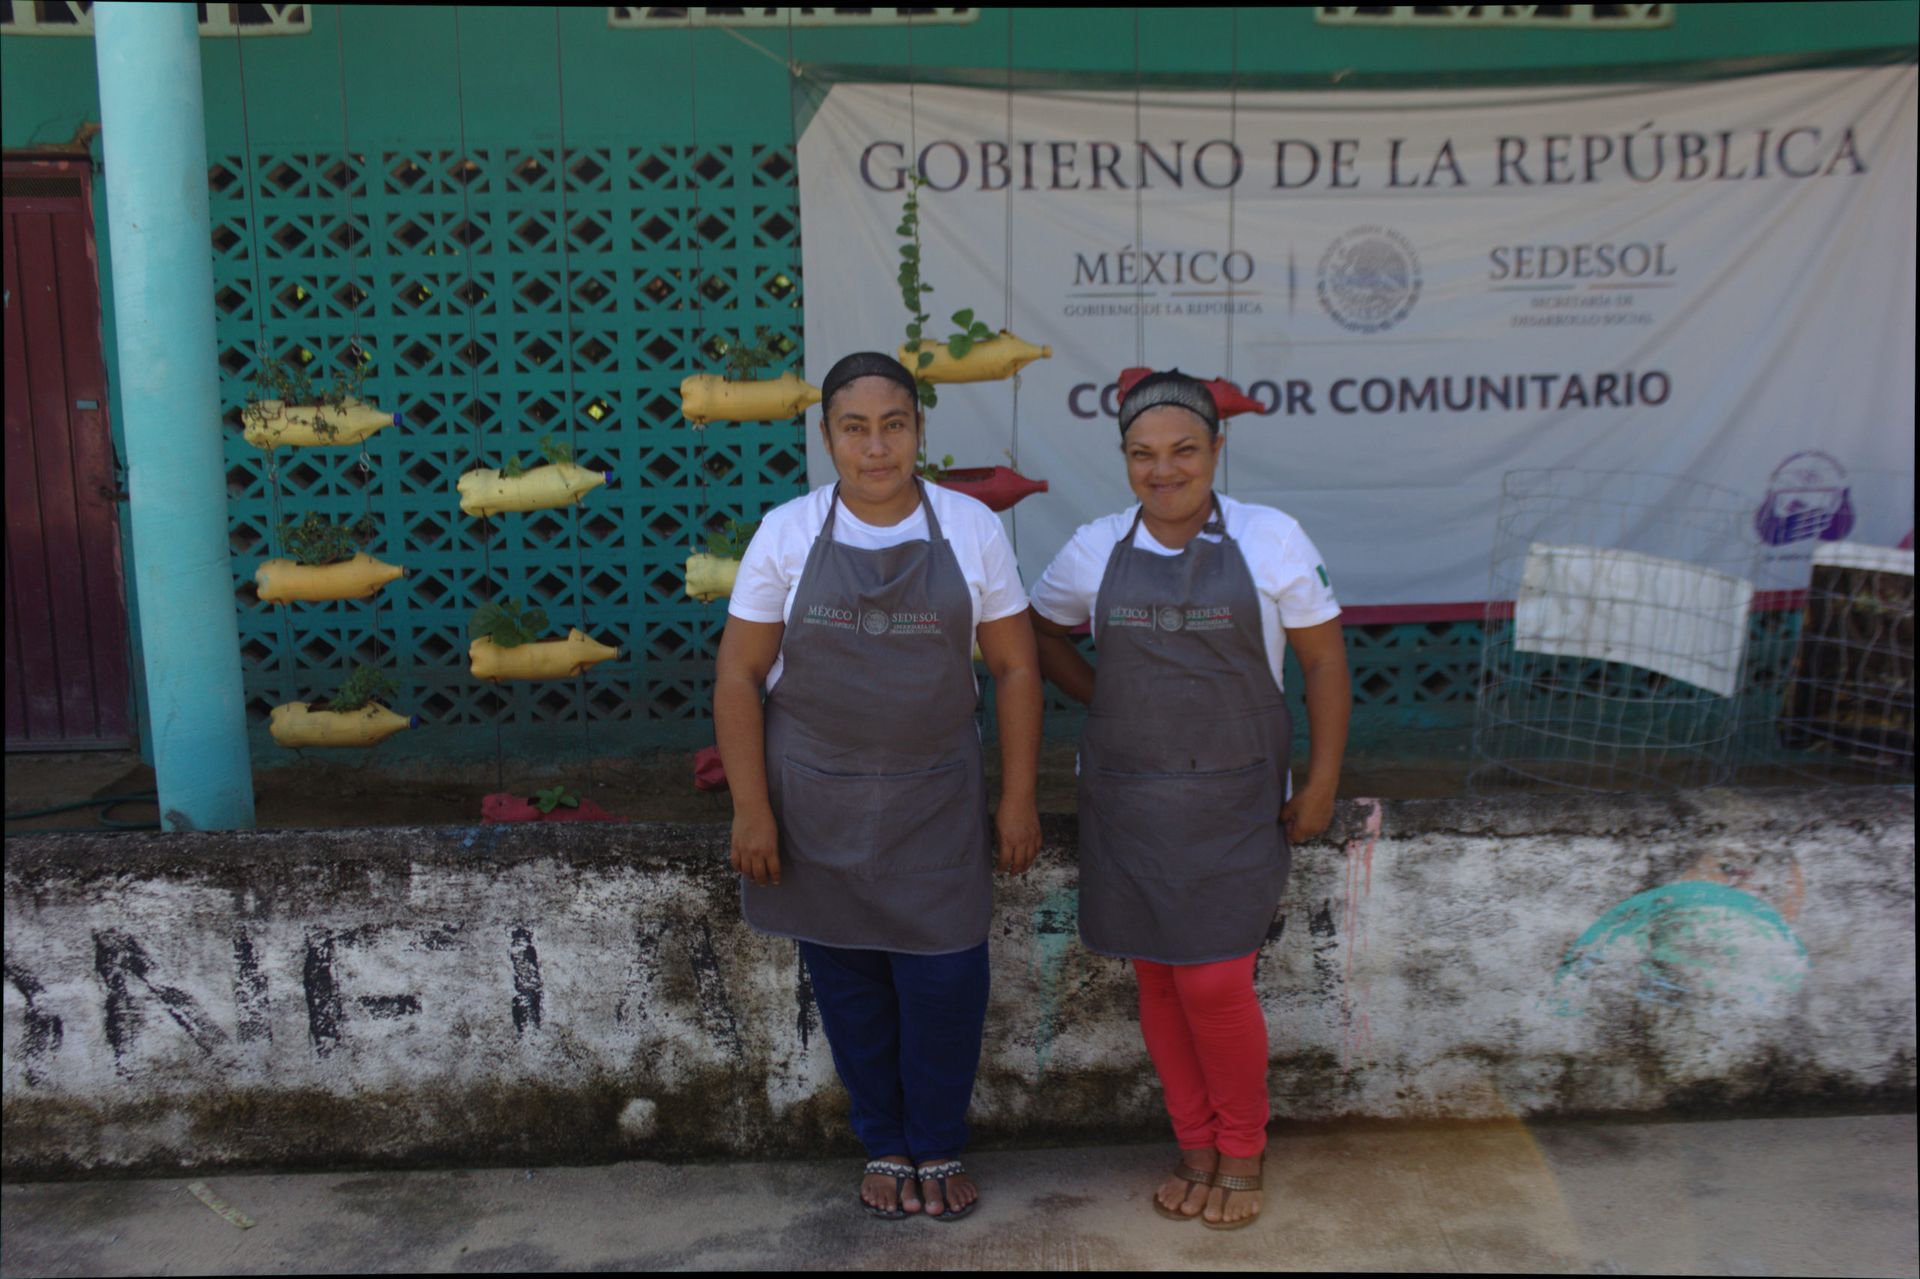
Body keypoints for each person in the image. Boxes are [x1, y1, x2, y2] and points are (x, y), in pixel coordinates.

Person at [713, 351, 1043, 1222]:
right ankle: (885, 1142)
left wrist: (1017, 797)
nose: (876, 446)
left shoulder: (970, 528)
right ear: (827, 438)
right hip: (814, 801)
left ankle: (937, 1139)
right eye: (854, 428)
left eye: (893, 424)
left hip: (936, 800)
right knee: (850, 981)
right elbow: (739, 676)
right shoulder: (787, 533)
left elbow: (1014, 668)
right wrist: (751, 807)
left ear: (919, 431)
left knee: (947, 981)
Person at [1029, 369, 1351, 1231]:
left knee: (1212, 981)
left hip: (1238, 799)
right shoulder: (1096, 546)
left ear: (1216, 449)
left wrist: (1320, 781)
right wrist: (1107, 698)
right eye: (1143, 454)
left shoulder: (1271, 537)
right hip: (1130, 800)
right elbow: (1040, 628)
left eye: (1183, 450)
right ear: (1125, 459)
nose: (1163, 469)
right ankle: (1195, 1143)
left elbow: (1323, 662)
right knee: (1160, 984)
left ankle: (1243, 1145)